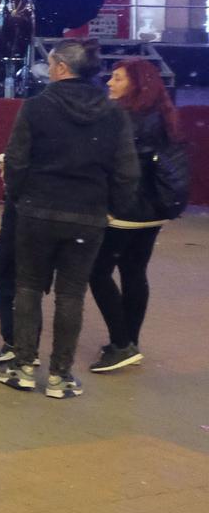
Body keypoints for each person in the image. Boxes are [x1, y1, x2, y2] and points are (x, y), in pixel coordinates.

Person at [0, 40, 138, 398]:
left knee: (28, 288)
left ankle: (25, 366)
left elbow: (16, 161)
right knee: (71, 295)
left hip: (37, 212)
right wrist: (114, 207)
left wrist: (19, 197)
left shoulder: (36, 107)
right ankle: (60, 376)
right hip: (87, 216)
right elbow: (126, 171)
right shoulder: (112, 113)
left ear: (60, 68)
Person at [89, 58, 187, 374]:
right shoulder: (162, 114)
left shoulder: (122, 119)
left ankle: (121, 343)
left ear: (135, 83)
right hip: (155, 209)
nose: (109, 83)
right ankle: (130, 340)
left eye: (117, 78)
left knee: (98, 272)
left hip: (125, 211)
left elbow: (115, 168)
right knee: (134, 273)